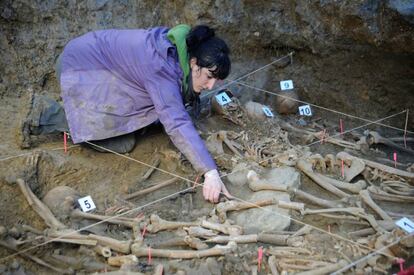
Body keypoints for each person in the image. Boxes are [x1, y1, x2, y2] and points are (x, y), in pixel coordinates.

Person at [19, 24, 232, 203]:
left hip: (98, 62)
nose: (211, 85)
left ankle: (74, 105)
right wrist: (209, 171)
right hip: (81, 68)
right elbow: (175, 121)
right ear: (194, 63)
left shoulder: (180, 47)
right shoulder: (161, 66)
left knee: (150, 117)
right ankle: (46, 114)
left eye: (216, 80)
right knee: (122, 142)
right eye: (208, 77)